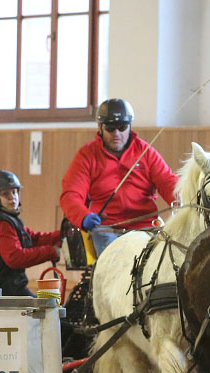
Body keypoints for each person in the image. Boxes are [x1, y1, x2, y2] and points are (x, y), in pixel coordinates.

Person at [60, 98, 178, 256]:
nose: (116, 133)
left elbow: (169, 183)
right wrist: (83, 216)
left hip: (145, 227)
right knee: (115, 262)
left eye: (122, 127)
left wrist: (182, 200)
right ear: (100, 127)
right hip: (106, 229)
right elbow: (71, 194)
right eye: (110, 128)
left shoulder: (146, 152)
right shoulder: (87, 155)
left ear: (130, 126)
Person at [0, 170, 61, 296]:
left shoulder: (10, 219)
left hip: (10, 287)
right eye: (6, 194)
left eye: (15, 192)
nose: (13, 198)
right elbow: (15, 257)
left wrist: (62, 235)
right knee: (45, 311)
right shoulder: (2, 223)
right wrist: (50, 252)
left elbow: (33, 238)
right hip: (5, 291)